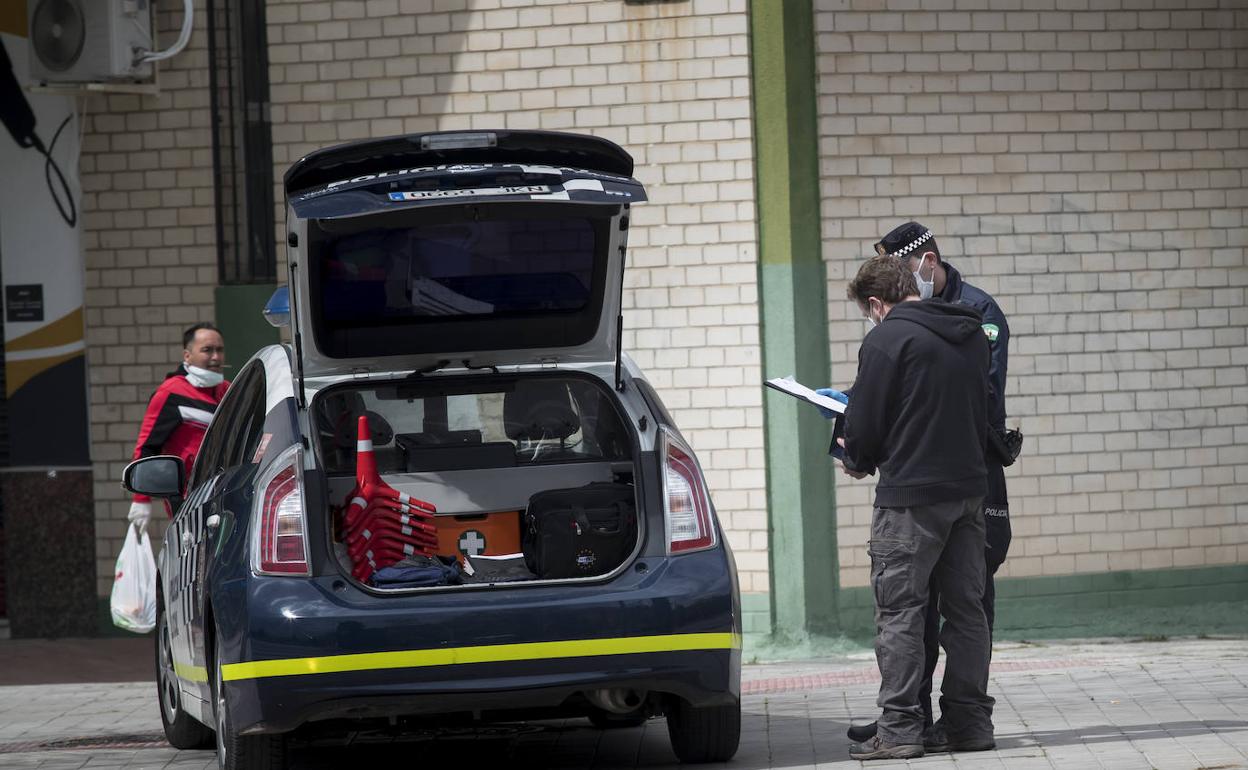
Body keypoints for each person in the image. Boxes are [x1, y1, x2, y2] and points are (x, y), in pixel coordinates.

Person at [839, 221, 1016, 743]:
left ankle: (899, 730)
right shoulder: (966, 329)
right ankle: (968, 723)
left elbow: (866, 426)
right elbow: (975, 408)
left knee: (900, 612)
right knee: (967, 609)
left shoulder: (890, 339)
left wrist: (856, 455)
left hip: (912, 495)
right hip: (969, 490)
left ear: (877, 303)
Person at [127, 323, 230, 532]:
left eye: (219, 350)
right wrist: (141, 500)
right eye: (207, 350)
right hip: (187, 498)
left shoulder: (227, 391)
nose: (216, 357)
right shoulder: (170, 393)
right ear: (187, 356)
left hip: (225, 491)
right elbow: (147, 446)